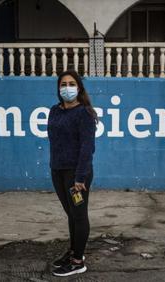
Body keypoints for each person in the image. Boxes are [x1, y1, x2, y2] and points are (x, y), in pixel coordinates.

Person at [47, 70, 98, 277]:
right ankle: (73, 251)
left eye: (71, 83)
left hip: (76, 174)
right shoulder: (54, 111)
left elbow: (87, 148)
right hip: (57, 171)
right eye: (63, 84)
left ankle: (78, 261)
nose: (67, 87)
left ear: (78, 88)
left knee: (79, 215)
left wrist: (80, 178)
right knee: (71, 214)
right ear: (59, 89)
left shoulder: (84, 113)